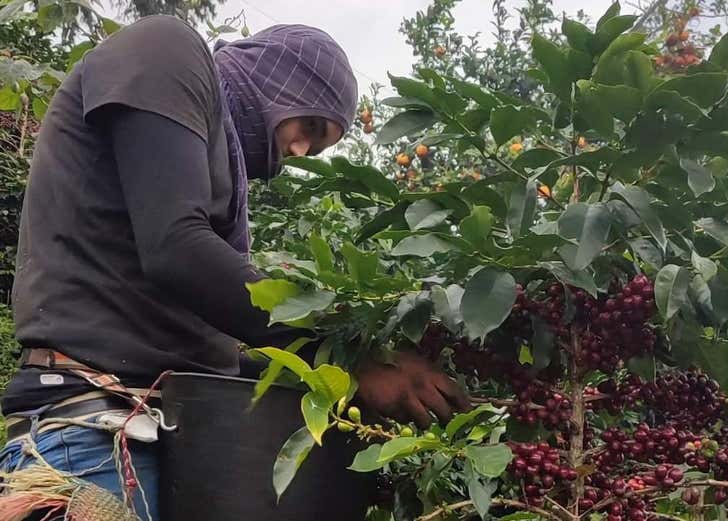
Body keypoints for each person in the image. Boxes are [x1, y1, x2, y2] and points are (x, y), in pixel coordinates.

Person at [0, 14, 469, 521]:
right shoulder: (166, 51)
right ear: (279, 78)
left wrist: (342, 387)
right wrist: (354, 356)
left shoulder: (215, 177)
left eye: (320, 147)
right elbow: (176, 250)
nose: (300, 152)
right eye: (309, 127)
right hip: (97, 437)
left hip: (164, 440)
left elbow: (213, 362)